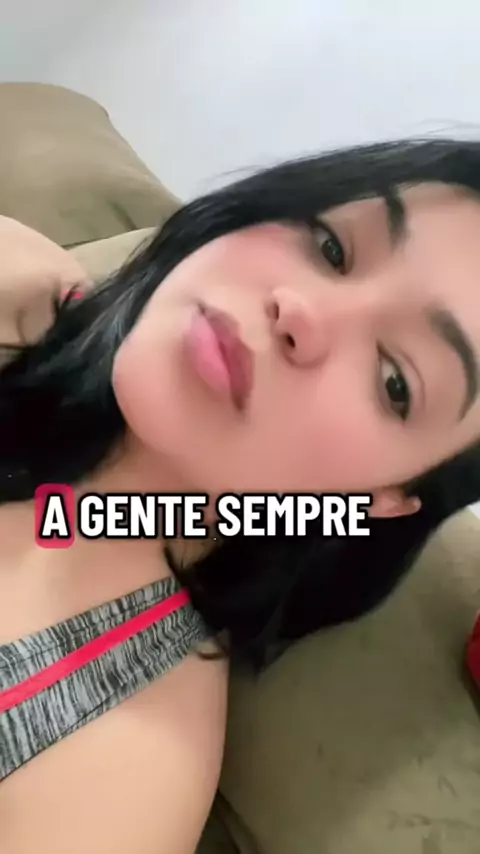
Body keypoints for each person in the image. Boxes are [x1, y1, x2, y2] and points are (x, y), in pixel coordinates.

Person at [1, 137, 480, 853]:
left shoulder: (116, 776)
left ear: (383, 497)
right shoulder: (17, 272)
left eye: (395, 383)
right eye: (331, 247)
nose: (303, 313)